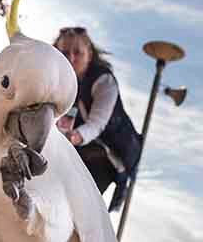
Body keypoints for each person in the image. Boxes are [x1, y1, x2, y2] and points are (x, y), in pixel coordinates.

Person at [53, 26, 142, 211]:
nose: (71, 58)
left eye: (78, 52)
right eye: (64, 52)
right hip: (76, 152)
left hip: (107, 156)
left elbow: (96, 124)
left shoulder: (104, 81)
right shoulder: (56, 82)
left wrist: (75, 137)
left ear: (89, 54)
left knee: (78, 206)